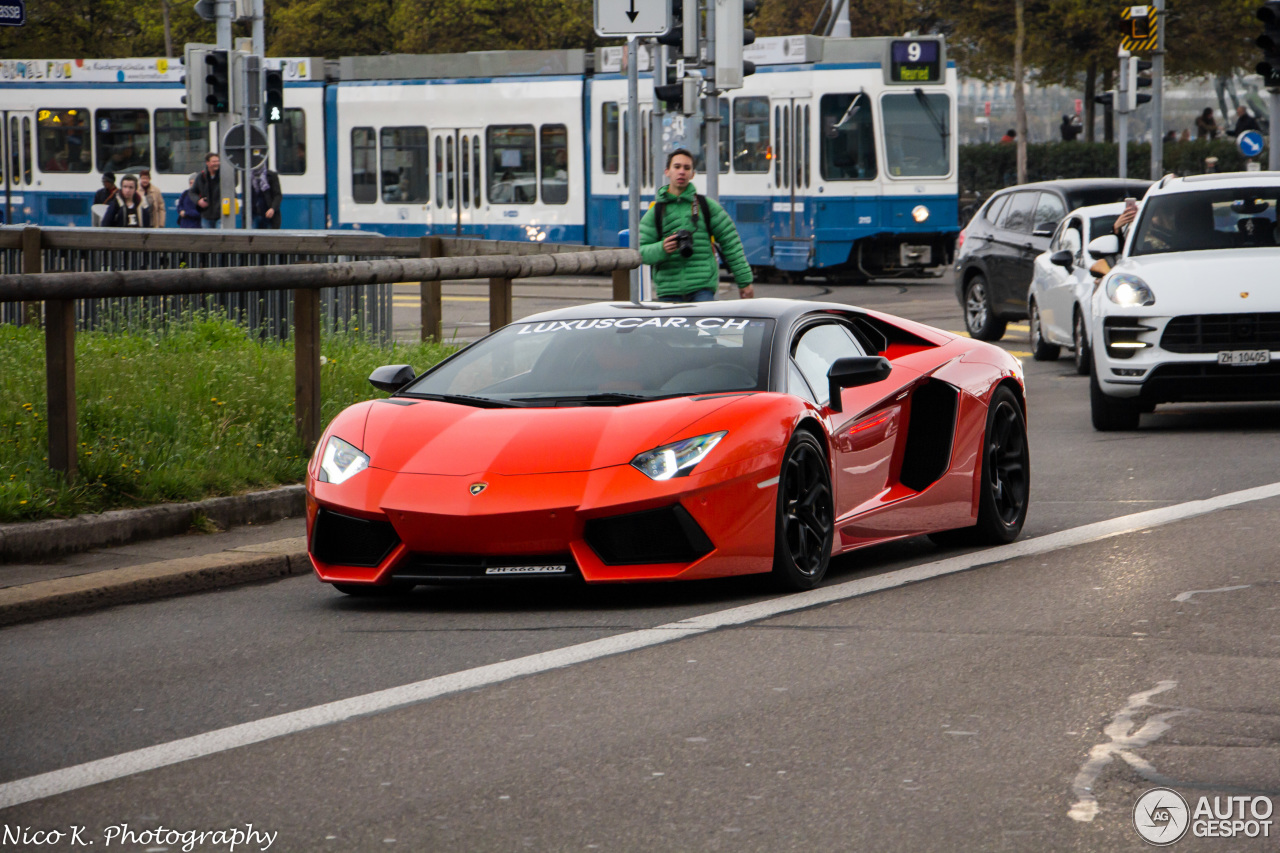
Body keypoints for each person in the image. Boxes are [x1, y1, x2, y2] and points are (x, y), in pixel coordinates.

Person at [638, 148, 753, 302]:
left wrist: (744, 282)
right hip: (669, 290)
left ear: (692, 174)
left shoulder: (706, 206)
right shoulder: (656, 212)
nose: (681, 172)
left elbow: (731, 243)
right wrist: (661, 248)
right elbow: (639, 251)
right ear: (667, 172)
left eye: (687, 168)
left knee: (706, 327)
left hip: (702, 289)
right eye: (677, 167)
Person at [193, 152, 223, 229]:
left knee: (219, 237)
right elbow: (192, 192)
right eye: (214, 162)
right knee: (208, 239)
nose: (217, 163)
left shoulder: (223, 176)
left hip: (221, 215)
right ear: (207, 163)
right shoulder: (201, 176)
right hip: (206, 216)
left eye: (218, 161)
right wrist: (198, 201)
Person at [250, 164, 282, 229]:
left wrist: (272, 208)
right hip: (256, 214)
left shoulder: (271, 176)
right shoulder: (249, 178)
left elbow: (278, 195)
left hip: (270, 215)